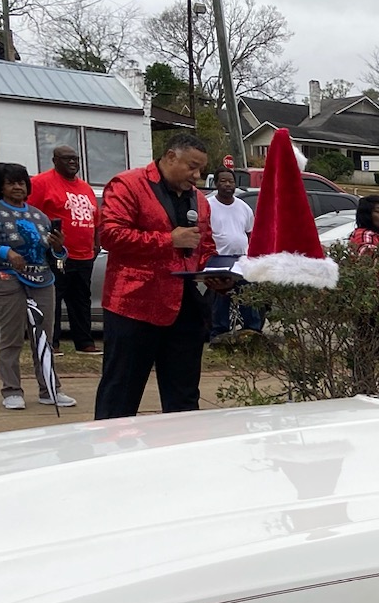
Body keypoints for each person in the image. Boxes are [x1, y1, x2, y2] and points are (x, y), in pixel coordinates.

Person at [95, 133, 218, 419]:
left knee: (184, 396)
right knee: (121, 392)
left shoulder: (200, 200)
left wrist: (216, 273)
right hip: (134, 305)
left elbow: (206, 246)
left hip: (186, 307)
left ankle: (180, 453)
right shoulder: (128, 184)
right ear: (171, 157)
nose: (197, 176)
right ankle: (110, 456)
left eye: (201, 169)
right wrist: (167, 240)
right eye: (192, 167)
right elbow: (110, 236)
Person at [0, 162, 73, 409]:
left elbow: (56, 258)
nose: (18, 187)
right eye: (11, 183)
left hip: (42, 281)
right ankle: (11, 390)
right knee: (11, 338)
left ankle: (49, 389)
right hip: (7, 280)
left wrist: (58, 247)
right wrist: (3, 251)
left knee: (43, 338)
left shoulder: (38, 215)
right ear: (0, 187)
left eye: (21, 182)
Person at [28, 144, 99, 354]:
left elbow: (96, 218)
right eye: (67, 158)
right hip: (56, 253)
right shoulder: (41, 182)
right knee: (53, 298)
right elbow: (31, 214)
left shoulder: (85, 187)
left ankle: (84, 342)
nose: (72, 162)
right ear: (55, 160)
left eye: (75, 159)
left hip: (85, 254)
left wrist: (96, 242)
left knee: (81, 299)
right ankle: (53, 342)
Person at [206, 168, 262, 338]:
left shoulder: (243, 207)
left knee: (248, 298)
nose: (228, 184)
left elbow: (249, 233)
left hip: (241, 262)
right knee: (221, 300)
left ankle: (252, 333)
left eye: (230, 181)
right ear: (216, 184)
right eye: (223, 181)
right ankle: (219, 335)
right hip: (218, 261)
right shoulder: (208, 206)